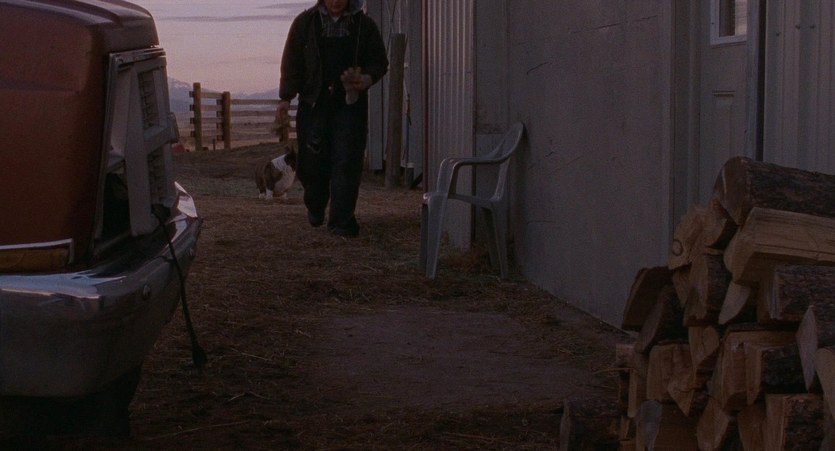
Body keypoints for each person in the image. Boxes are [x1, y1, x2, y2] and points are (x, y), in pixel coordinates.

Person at [275, 0, 388, 237]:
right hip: (314, 104)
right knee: (312, 164)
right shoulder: (305, 23)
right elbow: (292, 62)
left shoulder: (364, 26)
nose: (336, 1)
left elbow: (379, 61)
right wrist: (286, 97)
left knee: (346, 162)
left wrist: (365, 79)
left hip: (350, 106)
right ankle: (315, 205)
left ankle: (341, 223)